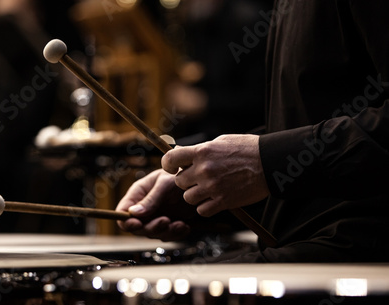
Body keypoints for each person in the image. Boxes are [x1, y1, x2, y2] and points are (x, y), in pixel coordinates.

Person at [116, 1, 389, 262]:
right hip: (300, 240)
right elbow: (308, 129)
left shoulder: (246, 17)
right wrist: (201, 186)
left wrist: (266, 162)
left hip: (357, 246)